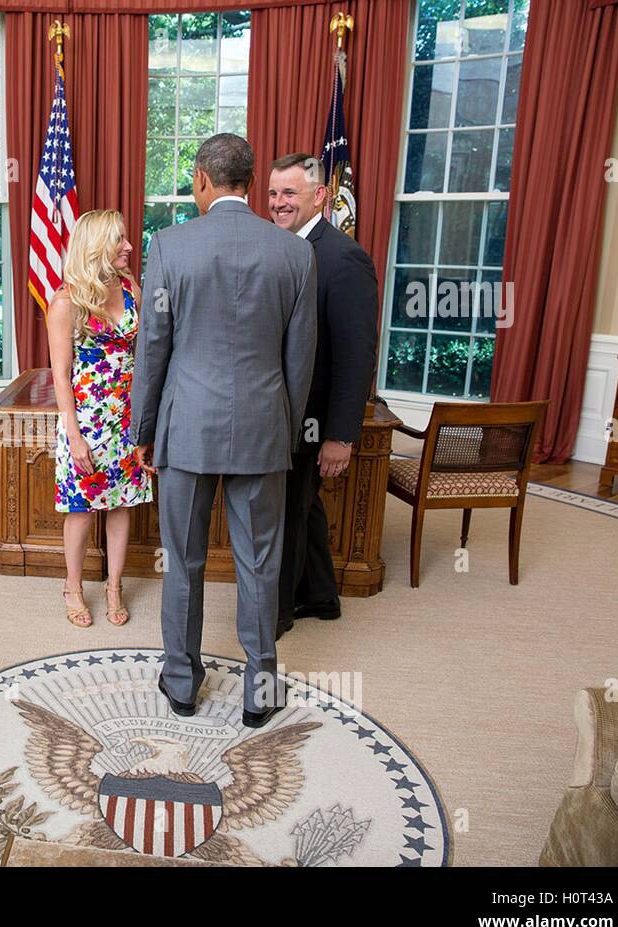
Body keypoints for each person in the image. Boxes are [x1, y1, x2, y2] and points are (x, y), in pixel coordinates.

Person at [130, 133, 316, 728]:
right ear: (250, 182)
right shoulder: (292, 252)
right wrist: (283, 429)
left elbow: (153, 345)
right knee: (259, 563)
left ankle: (181, 682)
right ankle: (260, 691)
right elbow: (300, 359)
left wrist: (144, 428)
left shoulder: (170, 247)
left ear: (204, 180)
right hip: (263, 430)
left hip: (186, 429)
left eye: (193, 180)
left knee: (182, 559)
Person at [267, 153, 379, 637]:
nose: (278, 203)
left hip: (312, 419)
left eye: (289, 193)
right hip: (279, 410)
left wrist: (340, 435)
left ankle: (276, 613)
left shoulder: (343, 257)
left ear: (320, 196)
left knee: (286, 512)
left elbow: (357, 356)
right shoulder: (275, 247)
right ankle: (319, 596)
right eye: (272, 194)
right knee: (303, 506)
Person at [47, 209, 153, 628]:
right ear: (96, 248)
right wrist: (74, 435)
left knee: (122, 504)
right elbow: (60, 376)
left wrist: (148, 420)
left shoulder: (131, 291)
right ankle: (72, 587)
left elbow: (146, 357)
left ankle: (114, 586)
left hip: (126, 417)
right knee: (81, 508)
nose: (129, 246)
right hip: (86, 421)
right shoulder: (65, 301)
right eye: (120, 240)